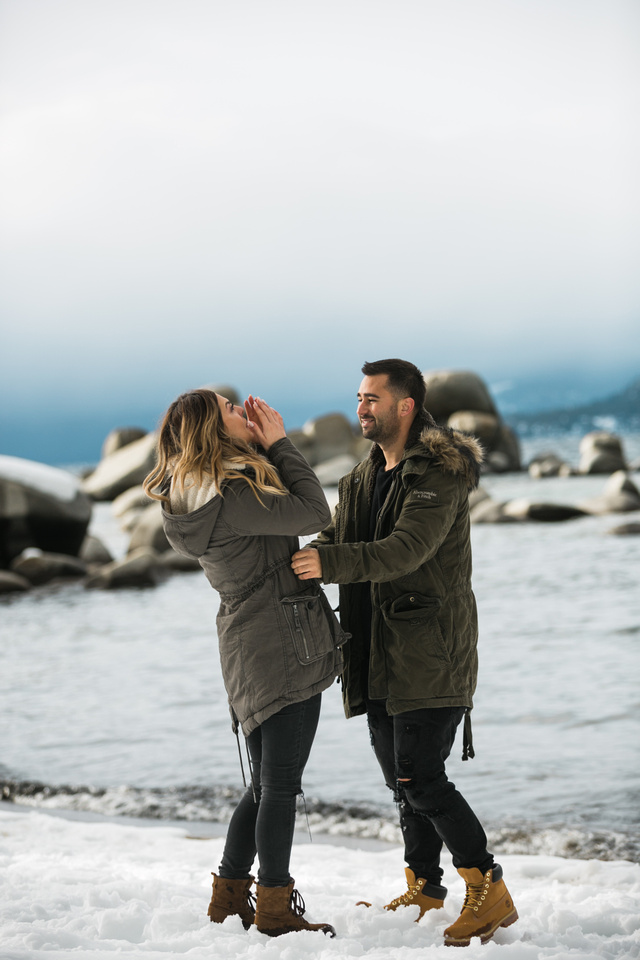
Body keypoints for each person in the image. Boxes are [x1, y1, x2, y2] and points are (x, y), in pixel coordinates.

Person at [291, 359, 518, 948]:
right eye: (359, 397)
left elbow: (405, 551)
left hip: (430, 652)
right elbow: (342, 535)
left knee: (422, 776)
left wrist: (330, 564)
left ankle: (489, 887)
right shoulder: (367, 474)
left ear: (405, 406)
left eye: (372, 398)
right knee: (402, 780)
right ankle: (426, 885)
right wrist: (304, 556)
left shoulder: (438, 475)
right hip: (375, 649)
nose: (362, 406)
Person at [144, 388, 346, 938]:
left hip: (246, 640)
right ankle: (275, 908)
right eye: (231, 408)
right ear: (213, 428)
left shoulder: (195, 497)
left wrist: (263, 448)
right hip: (282, 639)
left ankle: (230, 894)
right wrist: (280, 442)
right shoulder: (234, 493)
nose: (243, 410)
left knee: (264, 784)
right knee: (279, 785)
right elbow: (315, 510)